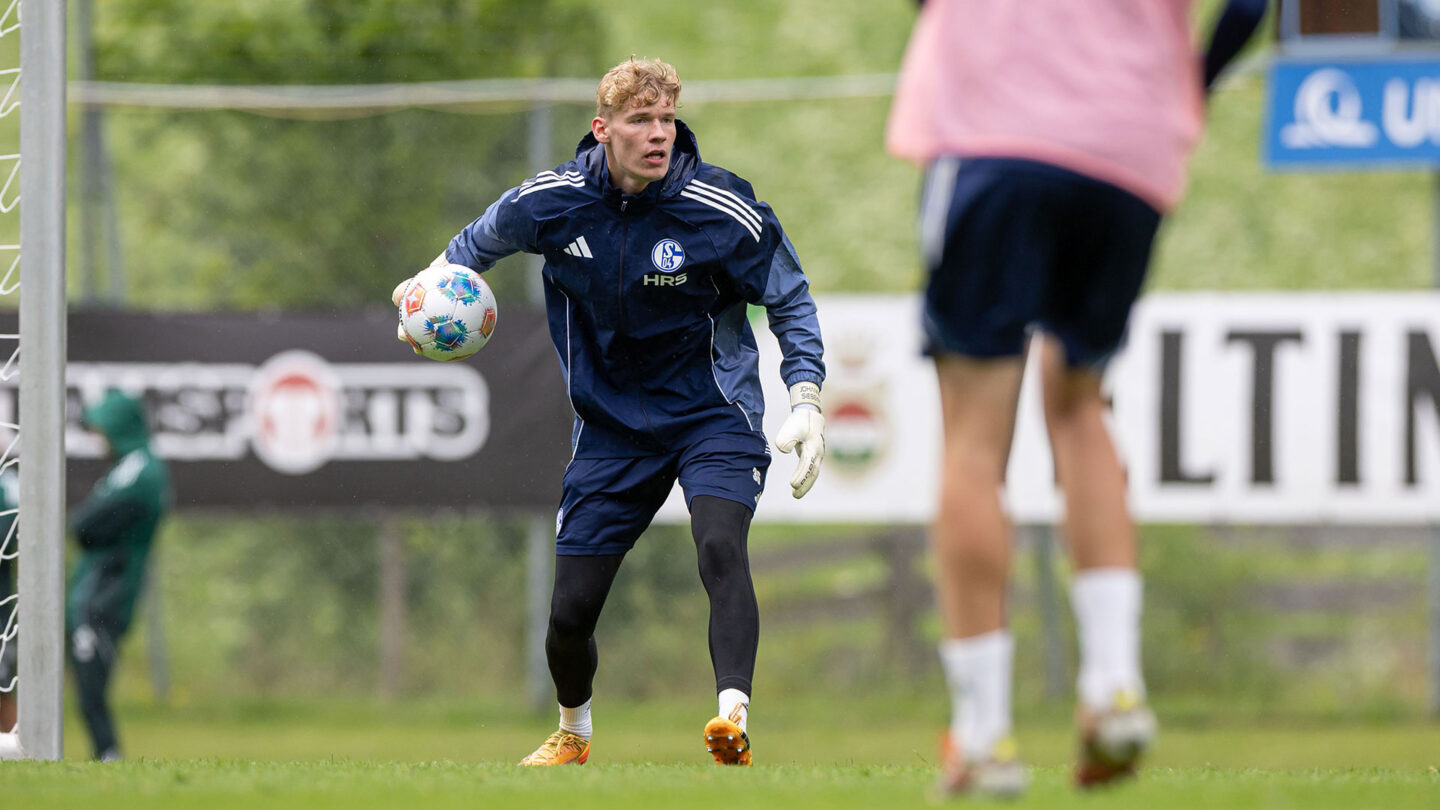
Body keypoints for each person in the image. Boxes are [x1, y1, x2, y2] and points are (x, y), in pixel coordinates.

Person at [391, 57, 826, 767]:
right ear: (603, 130)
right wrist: (426, 292)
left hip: (711, 414)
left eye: (666, 120)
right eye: (640, 121)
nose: (658, 134)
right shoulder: (550, 202)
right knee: (569, 614)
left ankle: (732, 720)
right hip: (611, 428)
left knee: (720, 546)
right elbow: (470, 252)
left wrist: (805, 394)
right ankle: (574, 731)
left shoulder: (721, 207)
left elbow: (790, 294)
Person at [886, 0, 1269, 796]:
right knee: (1080, 402)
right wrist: (1188, 87)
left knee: (972, 438)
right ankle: (1114, 689)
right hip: (1129, 149)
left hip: (993, 133)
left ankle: (984, 738)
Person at [66, 389, 172, 761]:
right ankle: (104, 757)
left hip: (107, 594)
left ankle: (108, 756)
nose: (99, 440)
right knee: (83, 687)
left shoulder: (142, 472)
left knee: (91, 690)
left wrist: (82, 525)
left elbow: (87, 525)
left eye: (102, 430)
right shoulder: (126, 468)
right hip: (93, 589)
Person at [0, 467, 16, 734]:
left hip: (2, 613)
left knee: (2, 686)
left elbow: (7, 535)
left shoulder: (10, 485)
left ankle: (26, 744)